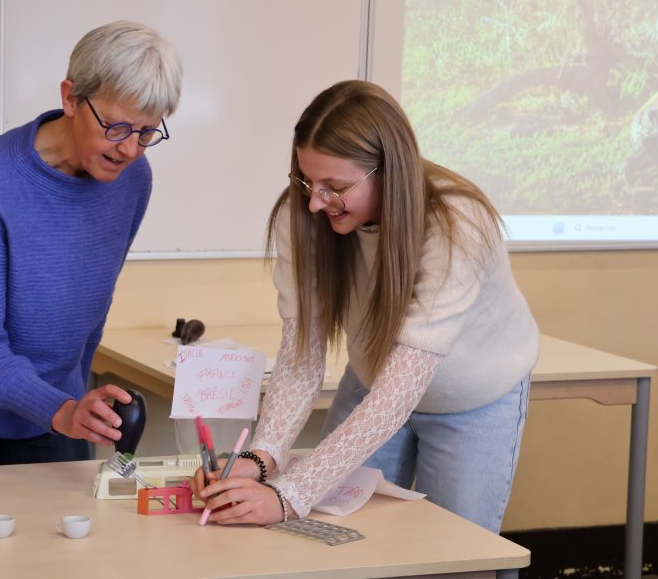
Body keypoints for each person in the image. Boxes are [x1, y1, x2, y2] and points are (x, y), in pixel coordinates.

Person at [192, 80, 539, 533]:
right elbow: (300, 362)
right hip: (373, 383)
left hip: (470, 400)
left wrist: (289, 494)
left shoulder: (457, 225)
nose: (316, 201)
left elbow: (400, 391)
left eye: (334, 186)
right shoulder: (301, 216)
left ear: (388, 171)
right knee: (341, 539)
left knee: (456, 556)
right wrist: (259, 459)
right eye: (306, 180)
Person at [0, 21, 183, 470]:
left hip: (55, 398)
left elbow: (91, 306)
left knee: (63, 535)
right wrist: (62, 411)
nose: (129, 150)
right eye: (117, 127)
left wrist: (72, 401)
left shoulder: (133, 180)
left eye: (146, 133)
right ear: (70, 98)